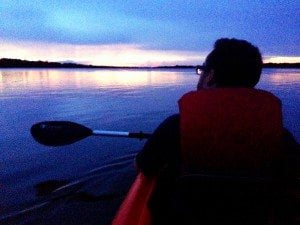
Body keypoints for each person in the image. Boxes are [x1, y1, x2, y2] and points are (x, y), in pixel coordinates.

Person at [135, 38, 299, 225]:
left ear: (210, 75)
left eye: (202, 70)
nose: (200, 75)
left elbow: (143, 166)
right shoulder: (279, 135)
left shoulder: (176, 126)